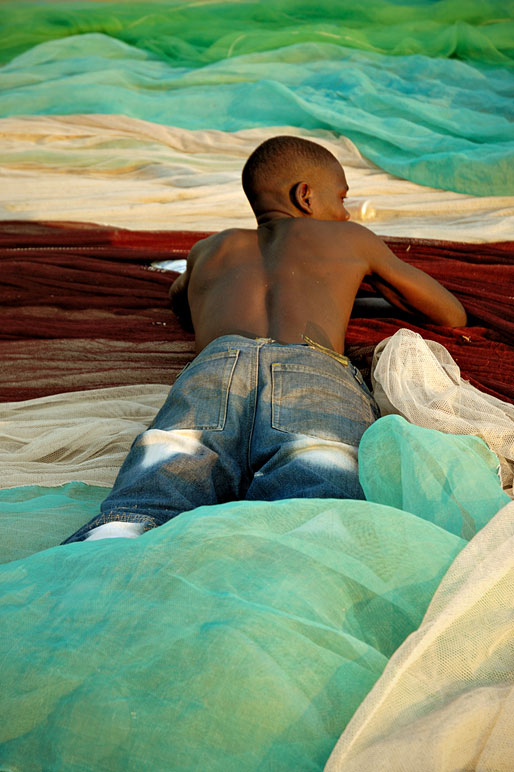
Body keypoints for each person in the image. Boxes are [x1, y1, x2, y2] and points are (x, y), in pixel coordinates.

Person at [62, 136, 467, 543]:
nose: (344, 215)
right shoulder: (350, 239)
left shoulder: (210, 248)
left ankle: (114, 542)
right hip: (312, 368)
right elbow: (450, 313)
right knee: (317, 499)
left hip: (215, 366)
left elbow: (180, 299)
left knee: (153, 492)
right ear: (305, 196)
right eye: (341, 199)